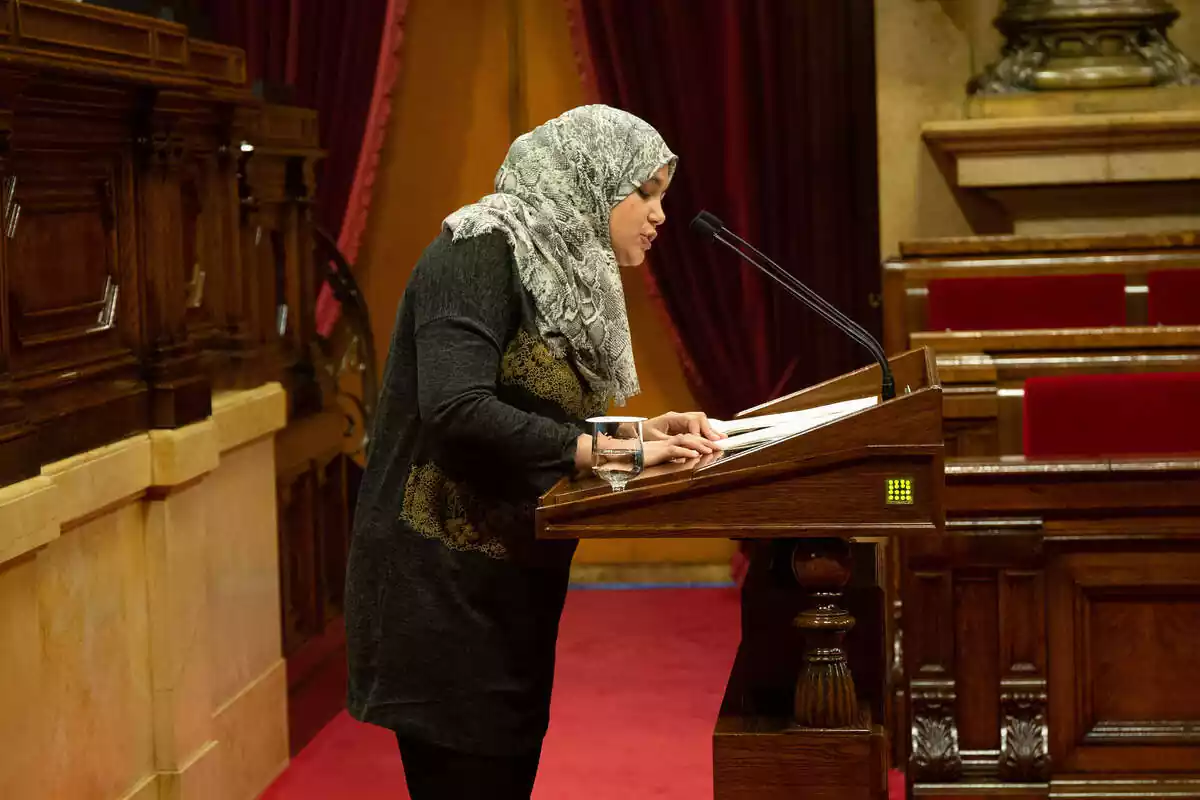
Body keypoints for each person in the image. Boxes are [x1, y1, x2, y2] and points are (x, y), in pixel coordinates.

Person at [344, 104, 723, 799]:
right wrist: (614, 455)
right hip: (437, 585)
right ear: (592, 179)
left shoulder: (558, 270)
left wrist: (638, 434)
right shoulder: (480, 248)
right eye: (646, 191)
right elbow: (459, 409)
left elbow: (530, 413)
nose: (660, 214)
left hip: (505, 586)